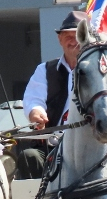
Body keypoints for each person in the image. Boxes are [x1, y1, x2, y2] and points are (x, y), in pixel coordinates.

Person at [18, 10, 86, 179]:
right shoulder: (45, 69)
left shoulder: (98, 69)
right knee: (29, 157)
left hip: (87, 143)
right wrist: (36, 112)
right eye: (67, 36)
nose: (73, 41)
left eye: (77, 36)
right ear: (59, 39)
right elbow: (34, 99)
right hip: (52, 143)